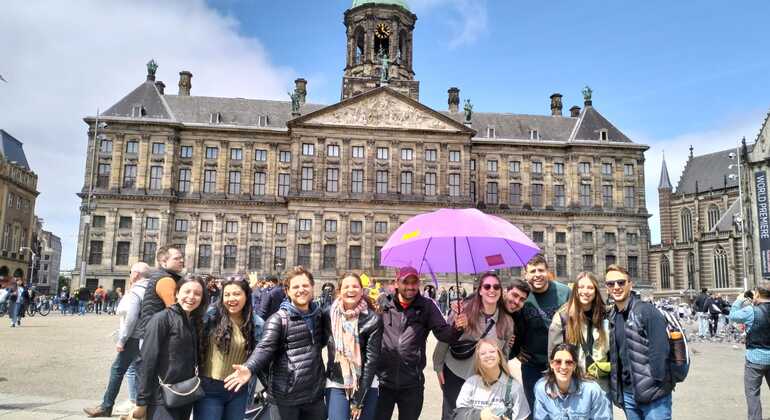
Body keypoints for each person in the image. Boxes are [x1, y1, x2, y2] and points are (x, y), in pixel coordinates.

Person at [225, 266, 327, 419]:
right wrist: (249, 368)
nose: (301, 290)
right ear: (287, 291)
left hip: (314, 395)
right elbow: (265, 348)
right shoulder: (278, 319)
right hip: (285, 396)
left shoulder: (318, 315)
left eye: (305, 285)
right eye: (296, 287)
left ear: (312, 288)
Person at [374, 266, 467, 420]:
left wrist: (457, 328)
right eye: (406, 282)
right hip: (383, 382)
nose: (410, 287)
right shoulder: (384, 304)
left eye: (414, 282)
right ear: (397, 283)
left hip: (412, 383)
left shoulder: (427, 306)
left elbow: (444, 334)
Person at [433, 272, 514, 420]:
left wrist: (503, 377)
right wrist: (438, 366)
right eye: (487, 286)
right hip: (456, 373)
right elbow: (445, 339)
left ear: (501, 291)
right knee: (453, 415)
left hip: (484, 377)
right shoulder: (463, 311)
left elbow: (504, 353)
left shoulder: (507, 321)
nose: (492, 290)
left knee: (480, 415)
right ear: (480, 290)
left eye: (496, 287)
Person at [132, 275, 205, 420]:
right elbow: (146, 360)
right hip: (161, 397)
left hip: (185, 394)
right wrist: (141, 401)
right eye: (187, 291)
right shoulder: (161, 319)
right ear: (177, 293)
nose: (191, 297)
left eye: (197, 294)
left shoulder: (194, 321)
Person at [83, 262, 151, 417]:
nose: (130, 275)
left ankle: (106, 406)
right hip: (146, 337)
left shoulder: (135, 292)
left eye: (130, 272)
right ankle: (139, 404)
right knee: (138, 370)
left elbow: (131, 317)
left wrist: (122, 340)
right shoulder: (152, 290)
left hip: (134, 337)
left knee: (117, 370)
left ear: (136, 275)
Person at [606, 264, 672, 420]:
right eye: (611, 284)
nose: (616, 287)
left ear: (630, 284)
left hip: (654, 394)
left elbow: (661, 350)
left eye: (621, 282)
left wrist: (655, 382)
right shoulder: (613, 316)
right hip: (628, 394)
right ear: (607, 287)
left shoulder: (647, 311)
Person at [193, 278, 256, 420]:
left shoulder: (255, 323)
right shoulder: (211, 316)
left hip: (238, 390)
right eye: (227, 295)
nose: (231, 299)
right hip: (209, 389)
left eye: (236, 294)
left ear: (246, 295)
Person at [516, 255, 571, 413]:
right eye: (532, 271)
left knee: (561, 407)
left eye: (541, 270)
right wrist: (516, 350)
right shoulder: (522, 297)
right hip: (531, 364)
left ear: (548, 272)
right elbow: (512, 325)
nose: (537, 274)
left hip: (560, 364)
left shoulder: (564, 292)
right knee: (534, 407)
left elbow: (576, 324)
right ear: (525, 275)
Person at [323, 272, 382, 420]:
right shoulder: (328, 315)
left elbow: (371, 361)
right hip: (337, 381)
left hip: (366, 384)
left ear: (362, 291)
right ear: (339, 291)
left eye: (355, 286)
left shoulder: (373, 320)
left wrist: (358, 400)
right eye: (346, 286)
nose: (351, 290)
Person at [548, 272, 611, 393]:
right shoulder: (562, 317)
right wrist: (557, 384)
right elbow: (553, 354)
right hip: (573, 383)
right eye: (581, 287)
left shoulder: (607, 314)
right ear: (575, 290)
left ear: (596, 291)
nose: (585, 291)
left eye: (590, 287)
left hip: (602, 384)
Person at [454, 338, 530, 420]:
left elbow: (523, 418)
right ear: (478, 360)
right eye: (483, 353)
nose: (488, 355)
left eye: (492, 352)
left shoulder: (514, 387)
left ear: (499, 356)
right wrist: (480, 415)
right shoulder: (470, 383)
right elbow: (459, 415)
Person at [533, 343, 613, 420]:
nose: (563, 367)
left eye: (569, 362)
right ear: (551, 364)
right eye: (558, 362)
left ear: (574, 366)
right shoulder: (542, 389)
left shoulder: (592, 391)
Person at [730, 283, 770, 420]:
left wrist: (739, 299)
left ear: (757, 294)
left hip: (755, 358)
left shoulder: (751, 311)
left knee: (753, 394)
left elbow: (733, 316)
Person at [136, 246, 185, 339]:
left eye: (182, 257)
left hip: (152, 332)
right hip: (156, 336)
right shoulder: (166, 280)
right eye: (176, 258)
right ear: (164, 262)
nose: (182, 260)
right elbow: (175, 310)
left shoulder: (162, 276)